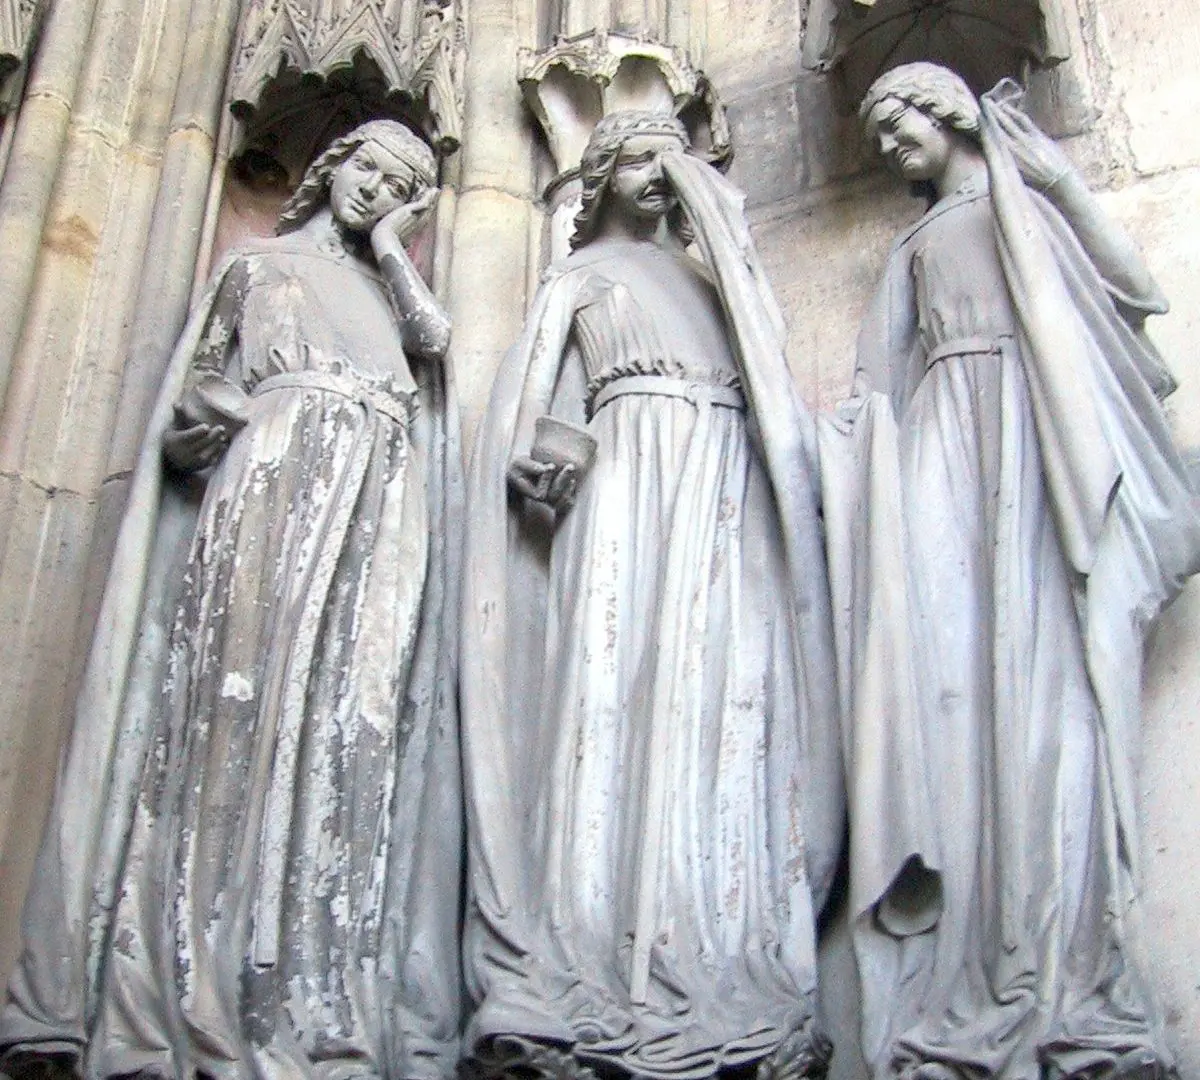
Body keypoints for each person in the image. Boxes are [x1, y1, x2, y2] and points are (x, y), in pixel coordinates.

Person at [0, 119, 463, 1080]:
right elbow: (191, 399)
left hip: (380, 499)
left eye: (399, 186)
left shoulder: (393, 293)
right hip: (273, 476)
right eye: (367, 168)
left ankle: (315, 994)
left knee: (352, 728)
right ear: (333, 165)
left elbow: (436, 340)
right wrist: (200, 429)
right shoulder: (255, 267)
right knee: (231, 714)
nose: (375, 189)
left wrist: (393, 250)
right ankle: (191, 973)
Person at [819, 63, 1200, 1080]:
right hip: (942, 449)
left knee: (1051, 697)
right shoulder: (911, 245)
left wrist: (1060, 183)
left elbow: (1135, 290)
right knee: (949, 694)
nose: (889, 147)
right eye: (878, 132)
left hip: (1034, 437)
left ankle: (1066, 960)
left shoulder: (1025, 205)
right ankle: (967, 955)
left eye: (900, 123)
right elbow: (872, 385)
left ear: (946, 113)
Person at [460, 110, 843, 1080]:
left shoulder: (717, 283)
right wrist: (531, 455)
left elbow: (771, 385)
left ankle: (711, 935)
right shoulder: (580, 277)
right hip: (627, 482)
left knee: (721, 701)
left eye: (672, 156)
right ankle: (591, 941)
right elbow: (526, 407)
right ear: (601, 174)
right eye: (638, 156)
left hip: (723, 483)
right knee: (611, 692)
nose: (659, 172)